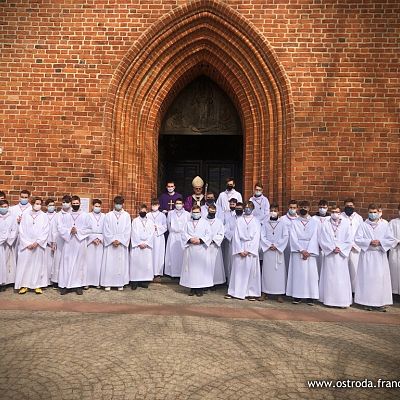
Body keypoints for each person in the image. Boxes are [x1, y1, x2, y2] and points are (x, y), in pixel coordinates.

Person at [354, 204, 397, 312]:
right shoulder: (363, 225)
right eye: (370, 212)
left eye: (374, 212)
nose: (372, 214)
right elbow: (357, 239)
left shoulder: (385, 225)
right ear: (368, 212)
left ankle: (380, 302)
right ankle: (366, 302)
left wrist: (380, 242)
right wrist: (369, 242)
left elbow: (391, 239)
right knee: (367, 279)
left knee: (379, 279)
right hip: (367, 255)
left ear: (379, 212)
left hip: (379, 255)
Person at [225, 201, 261, 301]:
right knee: (238, 271)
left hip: (250, 248)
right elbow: (235, 235)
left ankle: (251, 292)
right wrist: (240, 250)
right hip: (240, 247)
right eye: (246, 207)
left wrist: (249, 250)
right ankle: (234, 291)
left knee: (251, 272)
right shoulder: (239, 220)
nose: (247, 208)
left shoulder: (256, 221)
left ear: (253, 208)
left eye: (249, 207)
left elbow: (257, 237)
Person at [318, 205, 353, 308]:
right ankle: (329, 300)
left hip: (341, 256)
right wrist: (331, 248)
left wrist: (340, 248)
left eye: (337, 212)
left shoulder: (346, 224)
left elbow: (349, 239)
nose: (334, 213)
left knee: (341, 278)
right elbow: (322, 238)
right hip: (330, 255)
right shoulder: (325, 223)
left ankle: (342, 301)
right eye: (332, 211)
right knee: (329, 277)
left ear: (340, 212)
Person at [286, 201, 319, 305]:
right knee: (298, 274)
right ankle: (297, 296)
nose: (303, 209)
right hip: (298, 251)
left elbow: (315, 237)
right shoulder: (295, 222)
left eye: (305, 207)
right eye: (301, 207)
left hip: (310, 251)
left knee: (310, 275)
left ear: (309, 208)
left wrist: (308, 251)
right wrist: (301, 250)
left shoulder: (314, 222)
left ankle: (310, 297)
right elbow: (293, 237)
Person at [57, 195, 92, 295]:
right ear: (71, 204)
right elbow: (60, 228)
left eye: (77, 203)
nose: (75, 205)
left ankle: (78, 286)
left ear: (80, 203)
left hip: (80, 243)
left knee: (79, 264)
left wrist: (78, 231)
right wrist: (69, 231)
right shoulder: (66, 215)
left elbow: (89, 229)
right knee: (66, 263)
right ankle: (65, 286)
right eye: (74, 204)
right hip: (69, 243)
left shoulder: (85, 215)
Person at [14, 197, 49, 294]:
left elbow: (45, 231)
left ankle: (37, 285)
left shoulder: (44, 216)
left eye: (40, 204)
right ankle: (24, 285)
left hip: (38, 245)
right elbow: (21, 230)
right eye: (36, 203)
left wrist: (37, 242)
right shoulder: (25, 215)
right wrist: (27, 243)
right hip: (27, 245)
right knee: (25, 265)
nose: (38, 205)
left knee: (37, 265)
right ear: (32, 204)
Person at [179, 204, 212, 297]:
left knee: (200, 269)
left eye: (197, 212)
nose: (195, 214)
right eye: (194, 212)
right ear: (191, 213)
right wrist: (190, 239)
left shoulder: (205, 223)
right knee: (191, 269)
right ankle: (192, 288)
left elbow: (209, 234)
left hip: (201, 249)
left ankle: (200, 289)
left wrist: (200, 240)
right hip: (191, 249)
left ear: (200, 213)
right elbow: (183, 233)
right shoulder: (187, 223)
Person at [100, 196, 131, 291]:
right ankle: (108, 283)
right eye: (117, 203)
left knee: (120, 264)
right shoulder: (108, 215)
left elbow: (128, 230)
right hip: (111, 243)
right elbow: (106, 229)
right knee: (109, 263)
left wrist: (120, 240)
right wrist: (112, 240)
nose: (118, 205)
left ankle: (120, 283)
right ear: (114, 204)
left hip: (121, 243)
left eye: (120, 203)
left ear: (123, 204)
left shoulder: (126, 215)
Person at [260, 203, 289, 302]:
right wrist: (269, 245)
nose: (273, 212)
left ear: (278, 212)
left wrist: (277, 245)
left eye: (275, 210)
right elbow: (262, 236)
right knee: (267, 272)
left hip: (278, 251)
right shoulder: (265, 223)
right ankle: (265, 292)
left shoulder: (282, 224)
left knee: (279, 274)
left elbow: (285, 236)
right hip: (268, 251)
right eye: (271, 210)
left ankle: (279, 293)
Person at [341, 198, 363, 292]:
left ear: (354, 206)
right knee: (343, 270)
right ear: (344, 206)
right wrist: (345, 246)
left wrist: (354, 245)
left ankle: (354, 291)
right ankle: (344, 291)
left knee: (355, 270)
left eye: (351, 206)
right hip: (343, 248)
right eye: (347, 206)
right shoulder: (340, 216)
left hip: (355, 248)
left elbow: (361, 233)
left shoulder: (359, 218)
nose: (349, 207)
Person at [130, 204, 155, 290]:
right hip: (138, 246)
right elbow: (133, 233)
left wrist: (147, 243)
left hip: (147, 246)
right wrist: (139, 243)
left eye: (144, 211)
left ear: (147, 211)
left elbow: (152, 234)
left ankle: (144, 281)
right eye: (141, 211)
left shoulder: (151, 222)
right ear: (139, 211)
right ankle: (135, 281)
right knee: (136, 263)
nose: (143, 212)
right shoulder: (135, 221)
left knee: (145, 264)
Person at [164, 198, 190, 278]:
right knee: (172, 254)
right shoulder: (171, 213)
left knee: (182, 254)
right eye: (177, 203)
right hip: (173, 235)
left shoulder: (187, 214)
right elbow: (168, 224)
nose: (178, 205)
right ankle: (172, 272)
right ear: (175, 204)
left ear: (183, 204)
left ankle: (182, 273)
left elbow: (188, 225)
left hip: (182, 236)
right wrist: (173, 230)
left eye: (180, 203)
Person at [50, 195, 71, 287]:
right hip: (59, 240)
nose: (65, 204)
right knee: (58, 259)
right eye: (63, 202)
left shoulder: (73, 214)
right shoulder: (57, 215)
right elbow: (54, 229)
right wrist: (53, 242)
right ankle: (56, 280)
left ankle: (68, 279)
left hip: (70, 240)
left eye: (67, 202)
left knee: (68, 259)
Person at [86, 199, 105, 289]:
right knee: (89, 261)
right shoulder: (88, 216)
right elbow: (85, 228)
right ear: (92, 206)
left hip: (100, 240)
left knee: (99, 262)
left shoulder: (104, 216)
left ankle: (97, 282)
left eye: (99, 206)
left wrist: (100, 238)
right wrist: (92, 238)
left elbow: (106, 229)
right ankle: (87, 282)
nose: (97, 208)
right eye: (96, 206)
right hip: (90, 240)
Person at [206, 204, 226, 288]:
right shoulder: (203, 221)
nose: (212, 212)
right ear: (208, 211)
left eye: (213, 211)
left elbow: (221, 233)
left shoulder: (219, 222)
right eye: (210, 211)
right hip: (205, 246)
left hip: (215, 247)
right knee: (206, 265)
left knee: (215, 264)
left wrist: (214, 240)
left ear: (216, 212)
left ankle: (215, 282)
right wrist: (206, 240)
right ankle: (206, 282)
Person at [0, 200, 18, 291]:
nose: (3, 208)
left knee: (6, 263)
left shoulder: (12, 217)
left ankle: (4, 282)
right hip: (0, 243)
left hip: (7, 243)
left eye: (5, 206)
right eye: (2, 206)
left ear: (8, 207)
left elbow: (14, 230)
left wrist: (9, 239)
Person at [148, 198, 167, 279]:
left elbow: (165, 226)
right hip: (150, 236)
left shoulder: (162, 215)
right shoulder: (148, 215)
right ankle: (150, 271)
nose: (154, 206)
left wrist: (157, 227)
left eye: (156, 205)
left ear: (159, 205)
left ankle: (158, 272)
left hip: (159, 237)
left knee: (159, 254)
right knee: (151, 254)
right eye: (153, 205)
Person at [312, 199, 331, 276]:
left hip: (327, 246)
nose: (322, 209)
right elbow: (312, 232)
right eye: (320, 207)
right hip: (316, 246)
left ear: (327, 208)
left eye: (324, 207)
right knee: (317, 267)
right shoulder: (313, 218)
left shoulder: (330, 218)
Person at [221, 198, 238, 282]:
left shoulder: (241, 216)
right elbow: (225, 227)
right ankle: (227, 277)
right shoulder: (225, 214)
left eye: (233, 204)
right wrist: (232, 236)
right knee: (227, 259)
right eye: (230, 204)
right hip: (229, 241)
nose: (232, 205)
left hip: (240, 243)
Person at [281, 200, 298, 271]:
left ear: (297, 208)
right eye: (291, 207)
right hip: (286, 245)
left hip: (296, 245)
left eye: (294, 208)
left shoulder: (299, 219)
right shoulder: (282, 219)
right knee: (285, 264)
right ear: (288, 207)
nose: (292, 209)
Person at [44, 198, 57, 286]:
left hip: (54, 242)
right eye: (49, 205)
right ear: (46, 207)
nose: (51, 207)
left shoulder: (57, 216)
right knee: (45, 262)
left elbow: (57, 230)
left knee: (54, 262)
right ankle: (45, 280)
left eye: (52, 205)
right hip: (45, 242)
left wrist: (54, 242)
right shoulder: (43, 215)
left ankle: (53, 281)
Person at [388, 204, 400, 296]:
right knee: (395, 271)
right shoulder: (393, 222)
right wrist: (397, 242)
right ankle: (395, 292)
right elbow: (389, 236)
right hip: (396, 250)